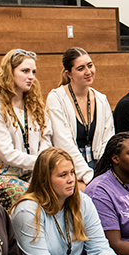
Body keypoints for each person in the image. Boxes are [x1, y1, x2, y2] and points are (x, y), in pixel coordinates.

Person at [0, 49, 55, 211]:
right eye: (25, 71)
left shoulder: (35, 105)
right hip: (3, 176)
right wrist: (40, 163)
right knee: (31, 198)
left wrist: (43, 163)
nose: (31, 77)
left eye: (33, 72)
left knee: (68, 191)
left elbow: (46, 140)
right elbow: (6, 153)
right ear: (9, 72)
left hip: (34, 173)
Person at [46, 47, 114, 183]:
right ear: (69, 74)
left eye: (90, 65)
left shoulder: (101, 99)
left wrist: (105, 174)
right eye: (80, 68)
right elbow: (63, 143)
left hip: (98, 166)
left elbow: (108, 142)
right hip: (68, 167)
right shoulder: (56, 98)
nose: (88, 72)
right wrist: (90, 177)